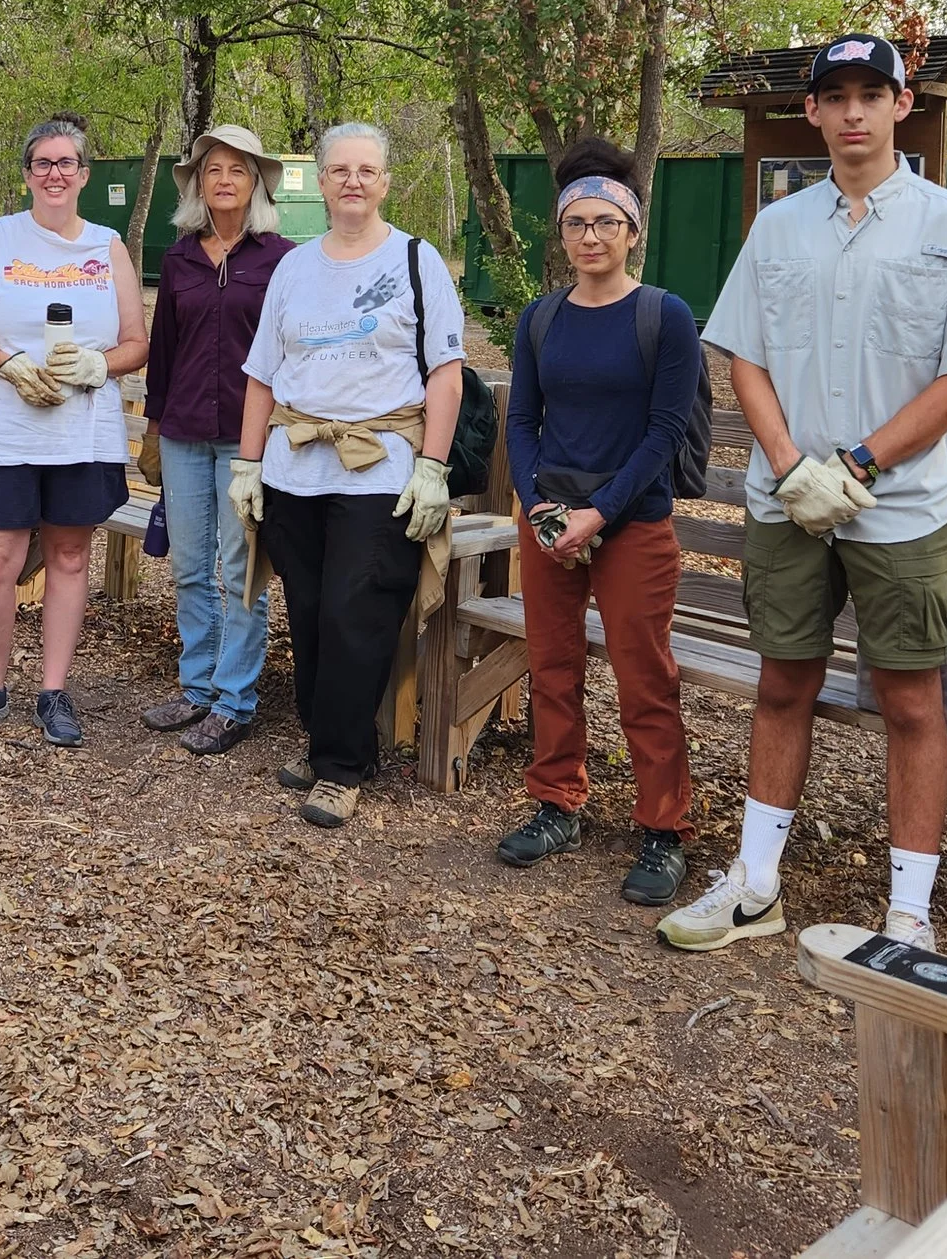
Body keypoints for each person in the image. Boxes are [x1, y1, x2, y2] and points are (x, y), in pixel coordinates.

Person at [659, 33, 947, 954]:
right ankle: (756, 884)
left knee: (910, 699)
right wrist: (785, 461)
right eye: (835, 95)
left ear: (902, 105)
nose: (853, 110)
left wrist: (856, 463)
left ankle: (909, 915)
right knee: (782, 684)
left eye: (871, 93)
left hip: (901, 505)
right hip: (787, 503)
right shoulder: (779, 227)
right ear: (810, 111)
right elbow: (744, 354)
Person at [233, 121, 462, 830]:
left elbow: (445, 373)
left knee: (354, 614)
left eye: (367, 170)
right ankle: (327, 735)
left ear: (386, 182)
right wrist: (247, 462)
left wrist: (432, 466)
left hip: (380, 469)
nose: (353, 181)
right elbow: (262, 375)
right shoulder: (293, 268)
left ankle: (338, 767)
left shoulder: (418, 262)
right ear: (322, 183)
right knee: (306, 613)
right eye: (340, 170)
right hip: (296, 467)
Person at [495, 139, 701, 902]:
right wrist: (537, 498)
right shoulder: (541, 318)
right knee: (552, 668)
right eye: (576, 222)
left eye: (605, 222)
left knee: (646, 680)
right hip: (550, 522)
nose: (590, 236)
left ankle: (663, 827)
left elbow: (664, 432)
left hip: (632, 525)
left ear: (632, 230)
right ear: (562, 230)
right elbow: (522, 418)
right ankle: (557, 802)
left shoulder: (664, 317)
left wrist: (600, 514)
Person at [0, 114, 149, 748]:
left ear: (84, 174)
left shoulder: (107, 246)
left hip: (78, 434)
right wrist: (6, 363)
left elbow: (136, 345)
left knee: (68, 555)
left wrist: (96, 365)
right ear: (28, 174)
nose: (55, 174)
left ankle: (54, 690)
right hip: (2, 430)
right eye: (42, 164)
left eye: (67, 163)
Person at [140, 124, 294, 755]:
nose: (224, 179)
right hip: (182, 432)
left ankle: (235, 700)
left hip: (245, 437)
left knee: (241, 569)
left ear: (255, 182)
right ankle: (197, 686)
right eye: (213, 170)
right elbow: (164, 351)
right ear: (198, 185)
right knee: (189, 566)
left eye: (237, 169)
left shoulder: (281, 258)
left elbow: (289, 352)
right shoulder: (179, 257)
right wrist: (151, 429)